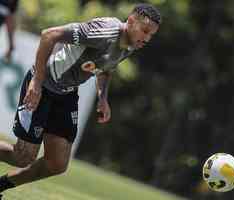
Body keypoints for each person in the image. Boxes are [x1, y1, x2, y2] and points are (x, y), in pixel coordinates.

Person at [0, 3, 161, 197]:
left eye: (151, 35)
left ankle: (2, 184)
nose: (146, 38)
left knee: (57, 164)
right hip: (44, 84)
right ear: (131, 21)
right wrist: (36, 82)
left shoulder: (131, 44)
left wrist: (103, 98)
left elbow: (106, 68)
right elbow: (49, 35)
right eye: (144, 31)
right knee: (22, 156)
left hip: (66, 94)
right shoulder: (104, 31)